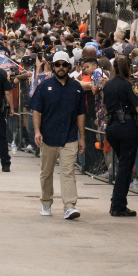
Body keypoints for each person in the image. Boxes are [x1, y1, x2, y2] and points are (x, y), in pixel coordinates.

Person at [29, 50, 85, 219]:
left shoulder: (76, 87)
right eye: (58, 65)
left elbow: (81, 114)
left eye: (64, 65)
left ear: (69, 66)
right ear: (53, 66)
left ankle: (70, 205)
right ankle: (46, 202)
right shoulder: (44, 86)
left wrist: (82, 138)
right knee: (46, 172)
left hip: (69, 136)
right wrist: (37, 131)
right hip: (48, 137)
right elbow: (36, 110)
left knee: (68, 171)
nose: (61, 68)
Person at [102, 56, 138, 217]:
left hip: (112, 126)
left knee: (122, 164)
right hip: (126, 126)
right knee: (125, 166)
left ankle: (118, 202)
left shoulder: (108, 84)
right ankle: (118, 204)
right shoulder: (127, 85)